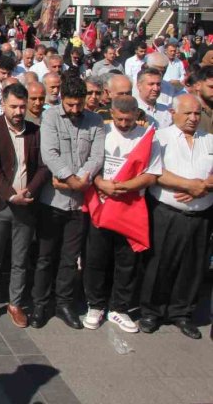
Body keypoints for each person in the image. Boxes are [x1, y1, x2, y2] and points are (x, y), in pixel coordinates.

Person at [82, 96, 161, 334]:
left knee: (126, 261)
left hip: (130, 207)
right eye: (119, 119)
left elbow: (151, 175)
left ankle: (119, 307)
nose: (124, 124)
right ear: (112, 113)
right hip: (102, 204)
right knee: (96, 258)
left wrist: (123, 187)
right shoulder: (102, 131)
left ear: (137, 114)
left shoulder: (148, 138)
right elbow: (89, 164)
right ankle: (95, 305)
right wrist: (100, 183)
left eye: (129, 120)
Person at [32, 76, 105, 329]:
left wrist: (80, 180)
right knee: (45, 256)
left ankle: (64, 303)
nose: (75, 110)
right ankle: (40, 303)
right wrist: (71, 179)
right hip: (52, 202)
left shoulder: (95, 121)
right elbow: (49, 153)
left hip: (79, 203)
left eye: (79, 105)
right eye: (70, 105)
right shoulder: (51, 117)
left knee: (69, 257)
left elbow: (97, 156)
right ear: (62, 99)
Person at [139, 94, 213, 339]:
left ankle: (181, 312)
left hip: (201, 214)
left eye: (197, 114)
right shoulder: (161, 137)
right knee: (161, 263)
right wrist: (189, 185)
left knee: (192, 266)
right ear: (173, 113)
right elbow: (157, 172)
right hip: (167, 213)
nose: (193, 118)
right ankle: (152, 311)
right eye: (188, 113)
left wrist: (203, 187)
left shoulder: (209, 139)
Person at [0, 83, 48, 329]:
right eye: (13, 106)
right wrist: (10, 195)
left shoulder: (35, 131)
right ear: (4, 105)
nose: (19, 111)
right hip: (0, 205)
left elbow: (42, 166)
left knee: (19, 260)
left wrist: (28, 191)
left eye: (22, 106)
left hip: (26, 204)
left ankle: (15, 304)